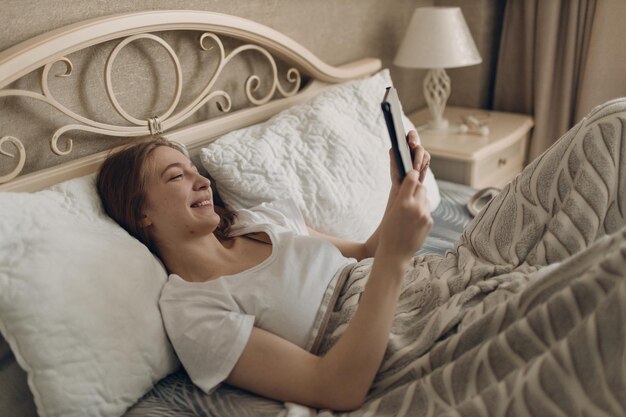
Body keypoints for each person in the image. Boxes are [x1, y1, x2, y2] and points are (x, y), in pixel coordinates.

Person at [97, 131, 433, 411]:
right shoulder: (193, 308)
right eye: (176, 176)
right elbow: (334, 387)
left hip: (425, 287)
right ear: (142, 214)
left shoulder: (259, 221)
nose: (202, 181)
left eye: (194, 170)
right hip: (399, 332)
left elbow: (366, 254)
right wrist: (395, 260)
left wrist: (399, 188)